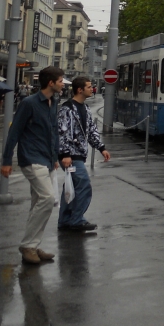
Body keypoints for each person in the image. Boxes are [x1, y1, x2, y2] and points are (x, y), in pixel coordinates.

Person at [1, 66, 64, 265]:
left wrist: (55, 157)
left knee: (38, 204)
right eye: (61, 80)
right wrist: (6, 161)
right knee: (47, 198)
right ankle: (28, 245)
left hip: (46, 159)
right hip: (31, 158)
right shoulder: (29, 103)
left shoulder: (53, 102)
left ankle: (33, 246)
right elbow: (15, 132)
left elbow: (53, 131)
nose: (63, 84)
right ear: (51, 83)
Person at [57, 77, 110, 233]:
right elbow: (62, 132)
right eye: (89, 86)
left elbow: (91, 130)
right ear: (80, 90)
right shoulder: (67, 109)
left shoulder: (85, 108)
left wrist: (101, 147)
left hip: (77, 154)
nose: (92, 88)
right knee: (84, 185)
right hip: (71, 155)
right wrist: (65, 154)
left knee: (70, 187)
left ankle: (65, 220)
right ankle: (77, 220)